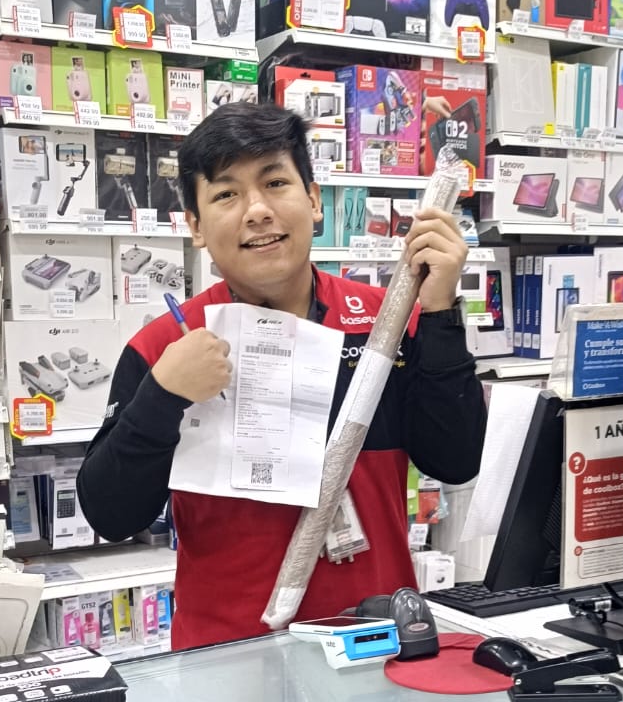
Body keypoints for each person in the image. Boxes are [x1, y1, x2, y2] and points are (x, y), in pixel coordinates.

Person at [77, 103, 486, 650]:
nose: (257, 211)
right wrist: (163, 396)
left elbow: (455, 462)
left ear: (314, 200)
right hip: (226, 655)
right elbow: (110, 514)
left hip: (375, 642)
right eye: (227, 194)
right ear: (195, 226)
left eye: (275, 183)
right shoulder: (163, 348)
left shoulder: (387, 325)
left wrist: (439, 313)